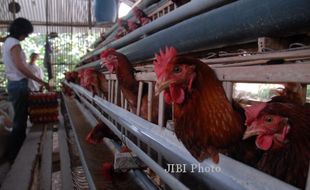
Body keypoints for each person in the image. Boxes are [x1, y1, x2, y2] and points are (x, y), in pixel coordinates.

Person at [1, 17, 49, 162]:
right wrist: (41, 81)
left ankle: (14, 153)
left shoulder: (8, 42)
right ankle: (15, 155)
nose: (26, 36)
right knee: (20, 122)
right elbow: (20, 66)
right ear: (20, 31)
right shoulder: (15, 43)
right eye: (26, 33)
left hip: (14, 84)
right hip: (18, 84)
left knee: (19, 119)